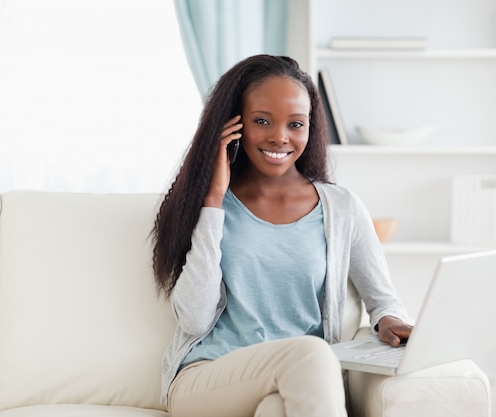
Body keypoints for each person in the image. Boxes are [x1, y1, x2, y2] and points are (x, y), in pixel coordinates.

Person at [150, 54, 413, 417]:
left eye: (295, 124)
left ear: (310, 128)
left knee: (277, 409)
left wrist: (390, 322)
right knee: (309, 351)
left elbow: (384, 301)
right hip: (208, 378)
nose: (280, 137)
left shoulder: (342, 207)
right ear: (233, 125)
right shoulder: (206, 204)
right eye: (262, 121)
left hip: (298, 377)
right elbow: (194, 320)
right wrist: (213, 201)